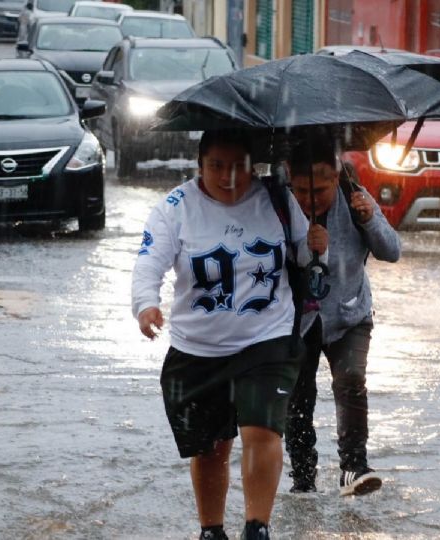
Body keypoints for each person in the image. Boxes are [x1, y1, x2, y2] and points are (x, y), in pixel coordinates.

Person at [132, 130, 326, 540]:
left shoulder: (276, 199)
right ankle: (211, 530)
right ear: (199, 165)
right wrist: (146, 305)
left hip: (267, 338)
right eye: (216, 166)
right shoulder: (175, 208)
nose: (227, 176)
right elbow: (149, 263)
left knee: (262, 429)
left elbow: (303, 256)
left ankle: (257, 527)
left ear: (252, 165)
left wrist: (314, 245)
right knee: (211, 447)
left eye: (237, 166)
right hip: (197, 348)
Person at [284, 137, 401, 497]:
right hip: (296, 318)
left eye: (320, 190)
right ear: (290, 179)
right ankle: (303, 478)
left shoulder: (355, 200)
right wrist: (305, 244)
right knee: (297, 397)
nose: (310, 199)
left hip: (349, 312)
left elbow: (392, 251)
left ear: (336, 177)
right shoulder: (278, 205)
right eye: (302, 190)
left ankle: (354, 467)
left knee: (350, 380)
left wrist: (369, 220)